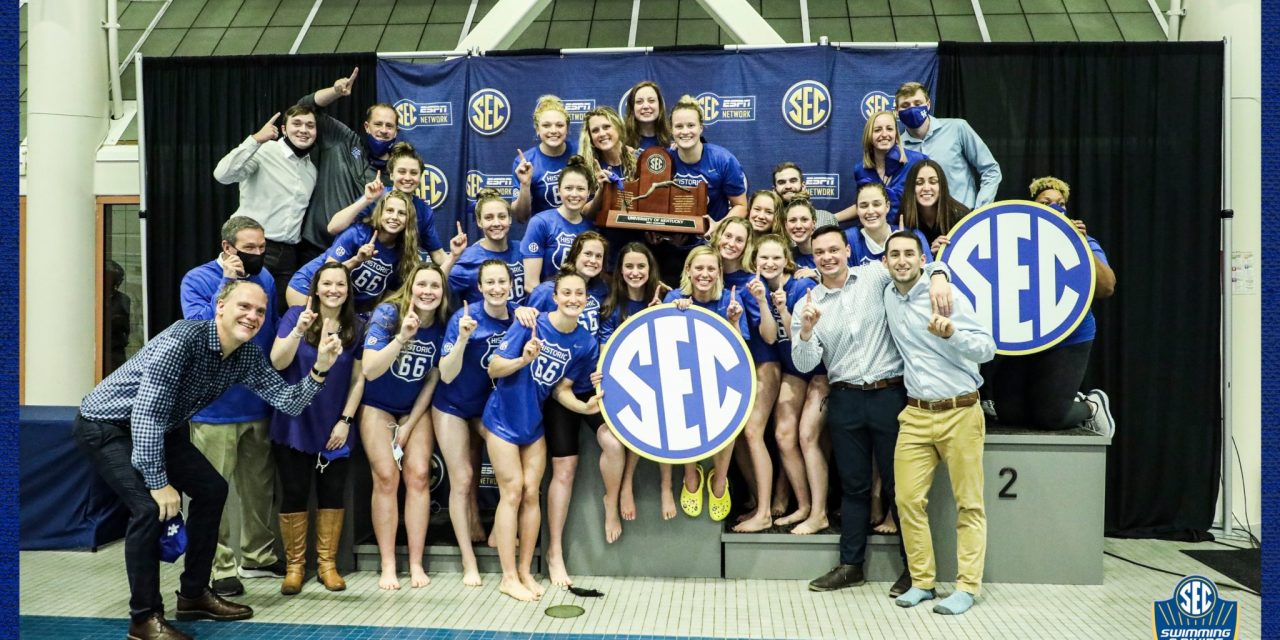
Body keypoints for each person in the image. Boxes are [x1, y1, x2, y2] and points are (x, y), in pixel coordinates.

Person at [74, 279, 338, 640]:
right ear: (220, 307)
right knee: (148, 510)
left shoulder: (245, 355)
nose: (253, 316)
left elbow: (288, 401)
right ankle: (143, 619)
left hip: (163, 427)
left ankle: (194, 593)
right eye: (244, 306)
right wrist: (158, 483)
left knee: (212, 489)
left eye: (260, 311)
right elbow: (146, 416)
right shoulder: (182, 340)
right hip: (107, 425)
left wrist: (320, 368)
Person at [791, 224, 952, 598]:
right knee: (854, 486)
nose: (828, 257)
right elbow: (803, 362)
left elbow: (913, 267)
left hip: (890, 395)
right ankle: (851, 567)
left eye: (834, 250)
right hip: (844, 398)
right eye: (820, 253)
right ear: (813, 259)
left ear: (848, 251)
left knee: (901, 488)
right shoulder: (808, 304)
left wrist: (940, 274)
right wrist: (805, 332)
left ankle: (916, 572)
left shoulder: (875, 275)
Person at [881, 230, 994, 615]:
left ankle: (966, 588)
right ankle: (923, 583)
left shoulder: (945, 295)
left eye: (909, 254)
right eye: (894, 254)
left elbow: (987, 348)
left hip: (961, 411)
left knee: (970, 505)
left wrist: (953, 333)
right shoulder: (887, 295)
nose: (901, 260)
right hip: (915, 415)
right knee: (907, 500)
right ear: (886, 262)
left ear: (921, 259)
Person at [483, 269, 602, 602]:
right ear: (555, 296)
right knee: (512, 491)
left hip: (533, 422)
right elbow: (494, 368)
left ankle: (525, 572)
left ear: (586, 299)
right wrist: (524, 359)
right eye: (567, 293)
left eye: (579, 294)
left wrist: (583, 408)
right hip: (504, 418)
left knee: (532, 492)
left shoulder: (585, 342)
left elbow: (562, 391)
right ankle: (508, 577)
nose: (573, 299)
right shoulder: (529, 323)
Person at [178, 217, 281, 598]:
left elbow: (265, 335)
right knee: (213, 493)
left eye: (261, 248)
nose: (257, 255)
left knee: (259, 489)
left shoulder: (265, 279)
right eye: (249, 248)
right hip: (213, 408)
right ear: (227, 248)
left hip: (256, 402)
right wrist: (227, 283)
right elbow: (201, 331)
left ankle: (258, 556)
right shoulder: (198, 279)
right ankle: (219, 567)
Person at [986, 177, 1117, 434]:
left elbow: (1106, 288)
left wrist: (1081, 244)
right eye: (1046, 203)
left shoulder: (1082, 241)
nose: (1054, 208)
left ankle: (1092, 406)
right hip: (1026, 336)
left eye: (1060, 204)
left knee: (1051, 417)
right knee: (1010, 414)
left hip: (1069, 336)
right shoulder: (1014, 240)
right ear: (1032, 207)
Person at [269, 262, 365, 596]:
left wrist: (346, 420)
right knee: (294, 491)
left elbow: (358, 379)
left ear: (348, 290)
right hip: (294, 420)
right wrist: (298, 331)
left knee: (332, 494)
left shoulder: (356, 327)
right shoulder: (296, 316)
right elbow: (278, 362)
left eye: (340, 284)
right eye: (327, 283)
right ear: (316, 287)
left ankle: (327, 565)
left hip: (335, 423)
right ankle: (295, 566)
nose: (334, 290)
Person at [520, 232, 609, 584]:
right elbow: (526, 321)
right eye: (587, 253)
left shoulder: (602, 292)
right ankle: (553, 552)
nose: (592, 260)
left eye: (599, 255)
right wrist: (522, 309)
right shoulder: (547, 290)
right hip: (556, 392)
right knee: (561, 470)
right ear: (574, 255)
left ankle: (616, 503)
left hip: (589, 387)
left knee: (616, 442)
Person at [360, 264, 450, 590]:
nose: (428, 291)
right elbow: (370, 369)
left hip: (414, 408)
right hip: (379, 404)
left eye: (435, 286)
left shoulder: (442, 324)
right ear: (410, 287)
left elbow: (433, 378)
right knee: (386, 476)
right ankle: (387, 563)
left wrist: (411, 424)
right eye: (422, 285)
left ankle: (414, 562)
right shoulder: (388, 314)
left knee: (419, 475)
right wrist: (401, 338)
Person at [431, 260, 520, 587]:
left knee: (510, 470)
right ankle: (468, 561)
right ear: (480, 288)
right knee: (464, 477)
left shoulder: (516, 318)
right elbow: (447, 373)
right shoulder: (464, 318)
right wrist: (464, 339)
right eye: (490, 283)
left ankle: (498, 531)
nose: (497, 288)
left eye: (502, 282)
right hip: (452, 405)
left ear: (511, 285)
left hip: (487, 408)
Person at [664, 246, 748, 523]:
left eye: (711, 268)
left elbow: (739, 352)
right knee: (686, 405)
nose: (705, 274)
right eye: (698, 268)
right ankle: (691, 472)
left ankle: (719, 480)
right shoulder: (674, 297)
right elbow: (664, 346)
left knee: (732, 416)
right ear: (688, 270)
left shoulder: (730, 299)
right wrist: (676, 315)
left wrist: (734, 321)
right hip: (684, 376)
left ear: (719, 272)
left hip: (722, 376)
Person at [752, 234, 830, 536]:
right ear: (755, 262)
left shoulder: (802, 286)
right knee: (783, 435)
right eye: (763, 259)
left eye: (775, 258)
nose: (770, 264)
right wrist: (763, 301)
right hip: (793, 371)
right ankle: (804, 505)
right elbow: (771, 339)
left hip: (822, 373)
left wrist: (784, 309)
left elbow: (801, 337)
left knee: (807, 435)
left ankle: (819, 512)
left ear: (787, 259)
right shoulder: (757, 289)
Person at [711, 217, 779, 532]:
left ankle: (765, 511)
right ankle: (756, 499)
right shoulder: (705, 268)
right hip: (726, 370)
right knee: (734, 436)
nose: (732, 244)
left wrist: (761, 299)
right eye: (728, 236)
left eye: (740, 239)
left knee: (752, 432)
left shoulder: (752, 281)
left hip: (761, 363)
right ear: (719, 235)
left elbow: (768, 337)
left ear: (747, 244)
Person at [213, 106, 317, 307]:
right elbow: (222, 174)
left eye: (310, 125)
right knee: (243, 309)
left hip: (288, 255)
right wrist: (256, 139)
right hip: (253, 249)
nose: (304, 130)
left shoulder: (311, 169)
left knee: (277, 317)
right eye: (297, 124)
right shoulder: (264, 151)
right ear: (284, 129)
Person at [296, 67, 398, 256]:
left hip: (356, 252)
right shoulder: (342, 139)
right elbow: (304, 109)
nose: (383, 130)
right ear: (367, 127)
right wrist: (334, 92)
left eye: (389, 126)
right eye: (378, 124)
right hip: (314, 246)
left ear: (396, 132)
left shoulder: (396, 175)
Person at [598, 243, 665, 515]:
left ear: (650, 270)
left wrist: (666, 312)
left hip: (655, 383)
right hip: (620, 385)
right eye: (629, 266)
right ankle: (617, 494)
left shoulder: (664, 301)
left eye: (641, 266)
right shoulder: (611, 306)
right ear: (620, 271)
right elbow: (606, 357)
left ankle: (648, 486)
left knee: (655, 411)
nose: (635, 272)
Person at [654, 95, 748, 285]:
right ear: (671, 130)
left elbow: (741, 206)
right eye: (679, 126)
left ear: (701, 128)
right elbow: (653, 202)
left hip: (710, 246)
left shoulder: (723, 160)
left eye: (691, 125)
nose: (685, 131)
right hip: (673, 249)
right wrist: (657, 229)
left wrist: (718, 226)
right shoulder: (663, 160)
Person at [327, 142, 464, 268]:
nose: (408, 178)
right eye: (402, 172)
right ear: (391, 175)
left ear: (420, 177)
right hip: (342, 265)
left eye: (414, 173)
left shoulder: (423, 211)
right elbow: (333, 227)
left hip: (382, 277)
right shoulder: (377, 197)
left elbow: (437, 254)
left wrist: (457, 260)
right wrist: (367, 200)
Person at [286, 189, 419, 310]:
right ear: (380, 213)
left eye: (402, 213)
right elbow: (328, 274)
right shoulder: (357, 234)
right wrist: (357, 260)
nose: (394, 217)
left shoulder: (403, 253)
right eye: (389, 210)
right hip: (307, 287)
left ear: (408, 220)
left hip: (345, 305)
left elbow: (389, 294)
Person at [894, 81, 1001, 210]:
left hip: (963, 219)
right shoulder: (897, 148)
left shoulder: (957, 129)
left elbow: (991, 170)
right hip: (923, 225)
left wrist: (979, 211)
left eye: (917, 103)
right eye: (905, 105)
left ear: (928, 105)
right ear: (897, 111)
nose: (912, 109)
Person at [835, 111, 927, 226]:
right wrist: (833, 218)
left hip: (910, 235)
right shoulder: (861, 170)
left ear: (896, 135)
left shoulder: (917, 161)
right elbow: (864, 204)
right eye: (877, 130)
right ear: (869, 135)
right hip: (875, 234)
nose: (884, 134)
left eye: (889, 129)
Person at [522, 156, 596, 291]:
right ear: (559, 190)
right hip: (546, 305)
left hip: (578, 304)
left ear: (589, 192)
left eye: (580, 189)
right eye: (568, 188)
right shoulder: (540, 223)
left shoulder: (592, 229)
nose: (574, 194)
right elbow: (531, 285)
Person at [449, 188, 527, 305]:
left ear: (510, 219)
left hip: (521, 321)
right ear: (479, 222)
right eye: (489, 218)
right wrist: (452, 257)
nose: (496, 223)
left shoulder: (523, 250)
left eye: (502, 217)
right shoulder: (469, 258)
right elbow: (438, 286)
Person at [512, 95, 577, 223]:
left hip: (580, 230)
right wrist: (525, 185)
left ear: (567, 129)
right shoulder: (525, 162)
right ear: (537, 129)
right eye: (546, 125)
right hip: (545, 234)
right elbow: (521, 217)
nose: (553, 130)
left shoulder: (581, 152)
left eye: (559, 125)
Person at [847, 182, 933, 265]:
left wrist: (904, 249)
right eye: (864, 206)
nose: (870, 211)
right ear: (857, 210)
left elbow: (929, 272)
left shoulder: (914, 236)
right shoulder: (848, 239)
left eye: (876, 204)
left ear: (887, 206)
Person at [898, 159, 971, 256]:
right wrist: (929, 254)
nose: (926, 188)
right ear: (911, 188)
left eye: (933, 182)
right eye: (919, 183)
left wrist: (946, 251)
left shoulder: (961, 216)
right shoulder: (904, 218)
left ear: (942, 186)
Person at [771, 162, 838, 228]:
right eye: (781, 182)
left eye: (793, 181)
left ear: (803, 186)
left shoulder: (825, 218)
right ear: (774, 190)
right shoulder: (769, 222)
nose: (788, 186)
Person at [622, 80, 673, 150]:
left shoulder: (673, 139)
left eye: (651, 101)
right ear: (632, 108)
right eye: (639, 102)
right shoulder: (622, 141)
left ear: (660, 106)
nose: (646, 106)